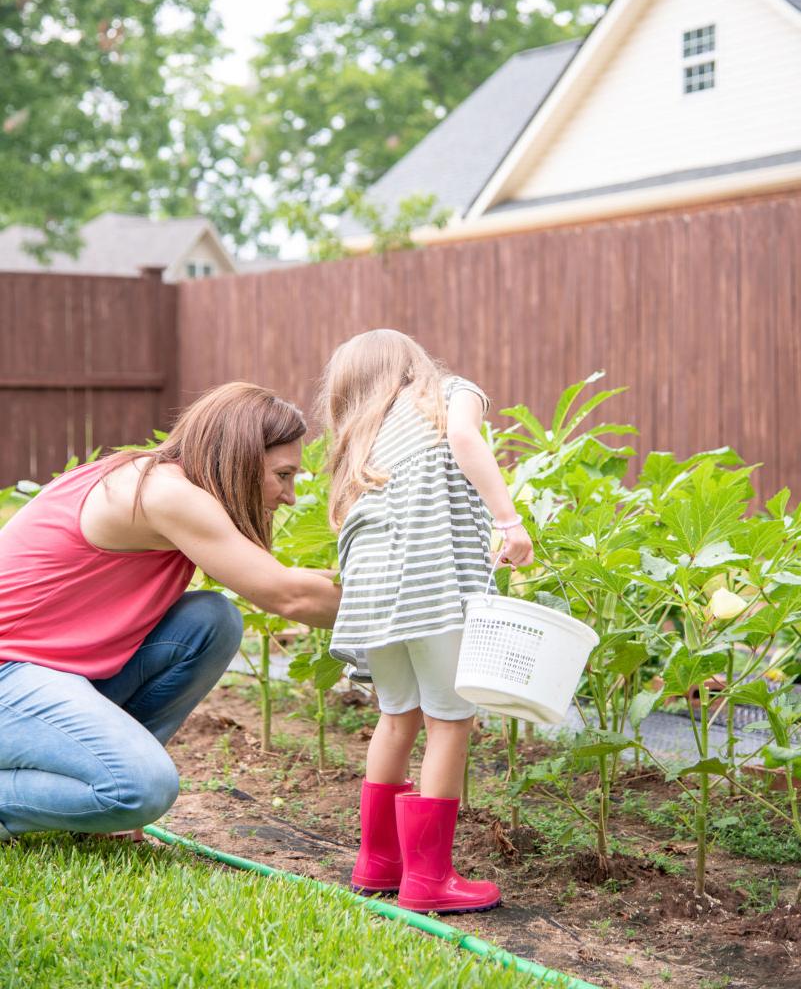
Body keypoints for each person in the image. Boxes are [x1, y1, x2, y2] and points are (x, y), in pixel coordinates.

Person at [0, 382, 339, 842]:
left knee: (211, 621)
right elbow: (288, 596)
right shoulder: (164, 494)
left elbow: (283, 577)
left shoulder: (162, 479)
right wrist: (414, 608)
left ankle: (98, 793)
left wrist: (367, 585)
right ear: (239, 457)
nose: (291, 496)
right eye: (283, 475)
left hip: (48, 674)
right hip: (11, 675)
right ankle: (112, 788)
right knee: (143, 789)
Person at [320, 330, 533, 914]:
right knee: (451, 721)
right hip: (433, 588)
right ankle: (429, 881)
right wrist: (508, 521)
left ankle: (379, 864)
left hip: (374, 600)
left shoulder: (360, 442)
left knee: (397, 719)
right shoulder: (448, 393)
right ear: (412, 364)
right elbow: (465, 437)